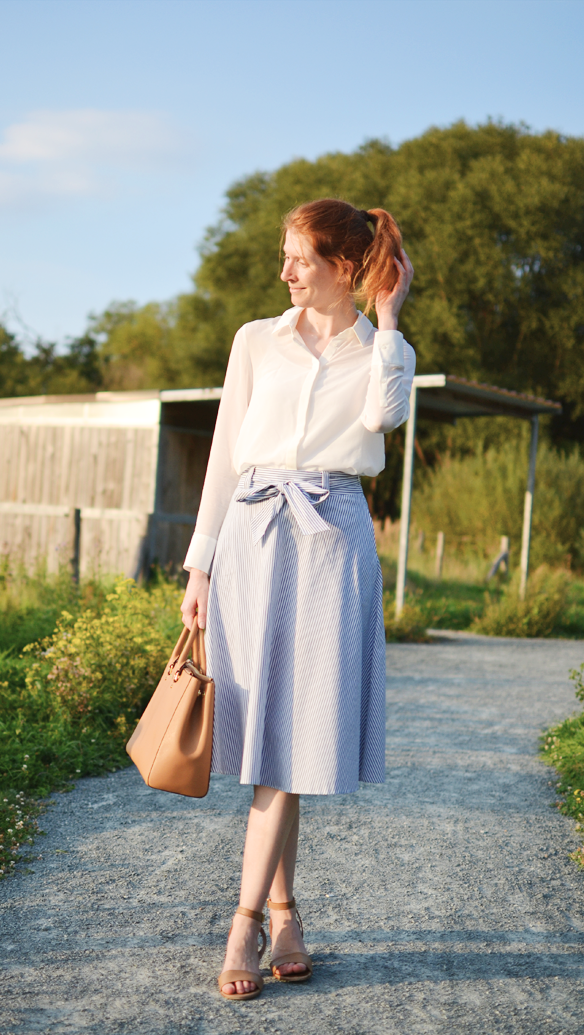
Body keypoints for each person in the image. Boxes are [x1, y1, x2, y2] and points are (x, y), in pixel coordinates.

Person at [180, 198, 415, 1000]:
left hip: (332, 540)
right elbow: (222, 456)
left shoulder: (383, 351)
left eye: (300, 258)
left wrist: (388, 319)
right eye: (283, 255)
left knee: (291, 739)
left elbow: (384, 418)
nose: (283, 271)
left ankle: (242, 921)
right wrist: (200, 566)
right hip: (252, 534)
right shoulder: (255, 340)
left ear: (344, 267)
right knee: (265, 738)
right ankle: (282, 911)